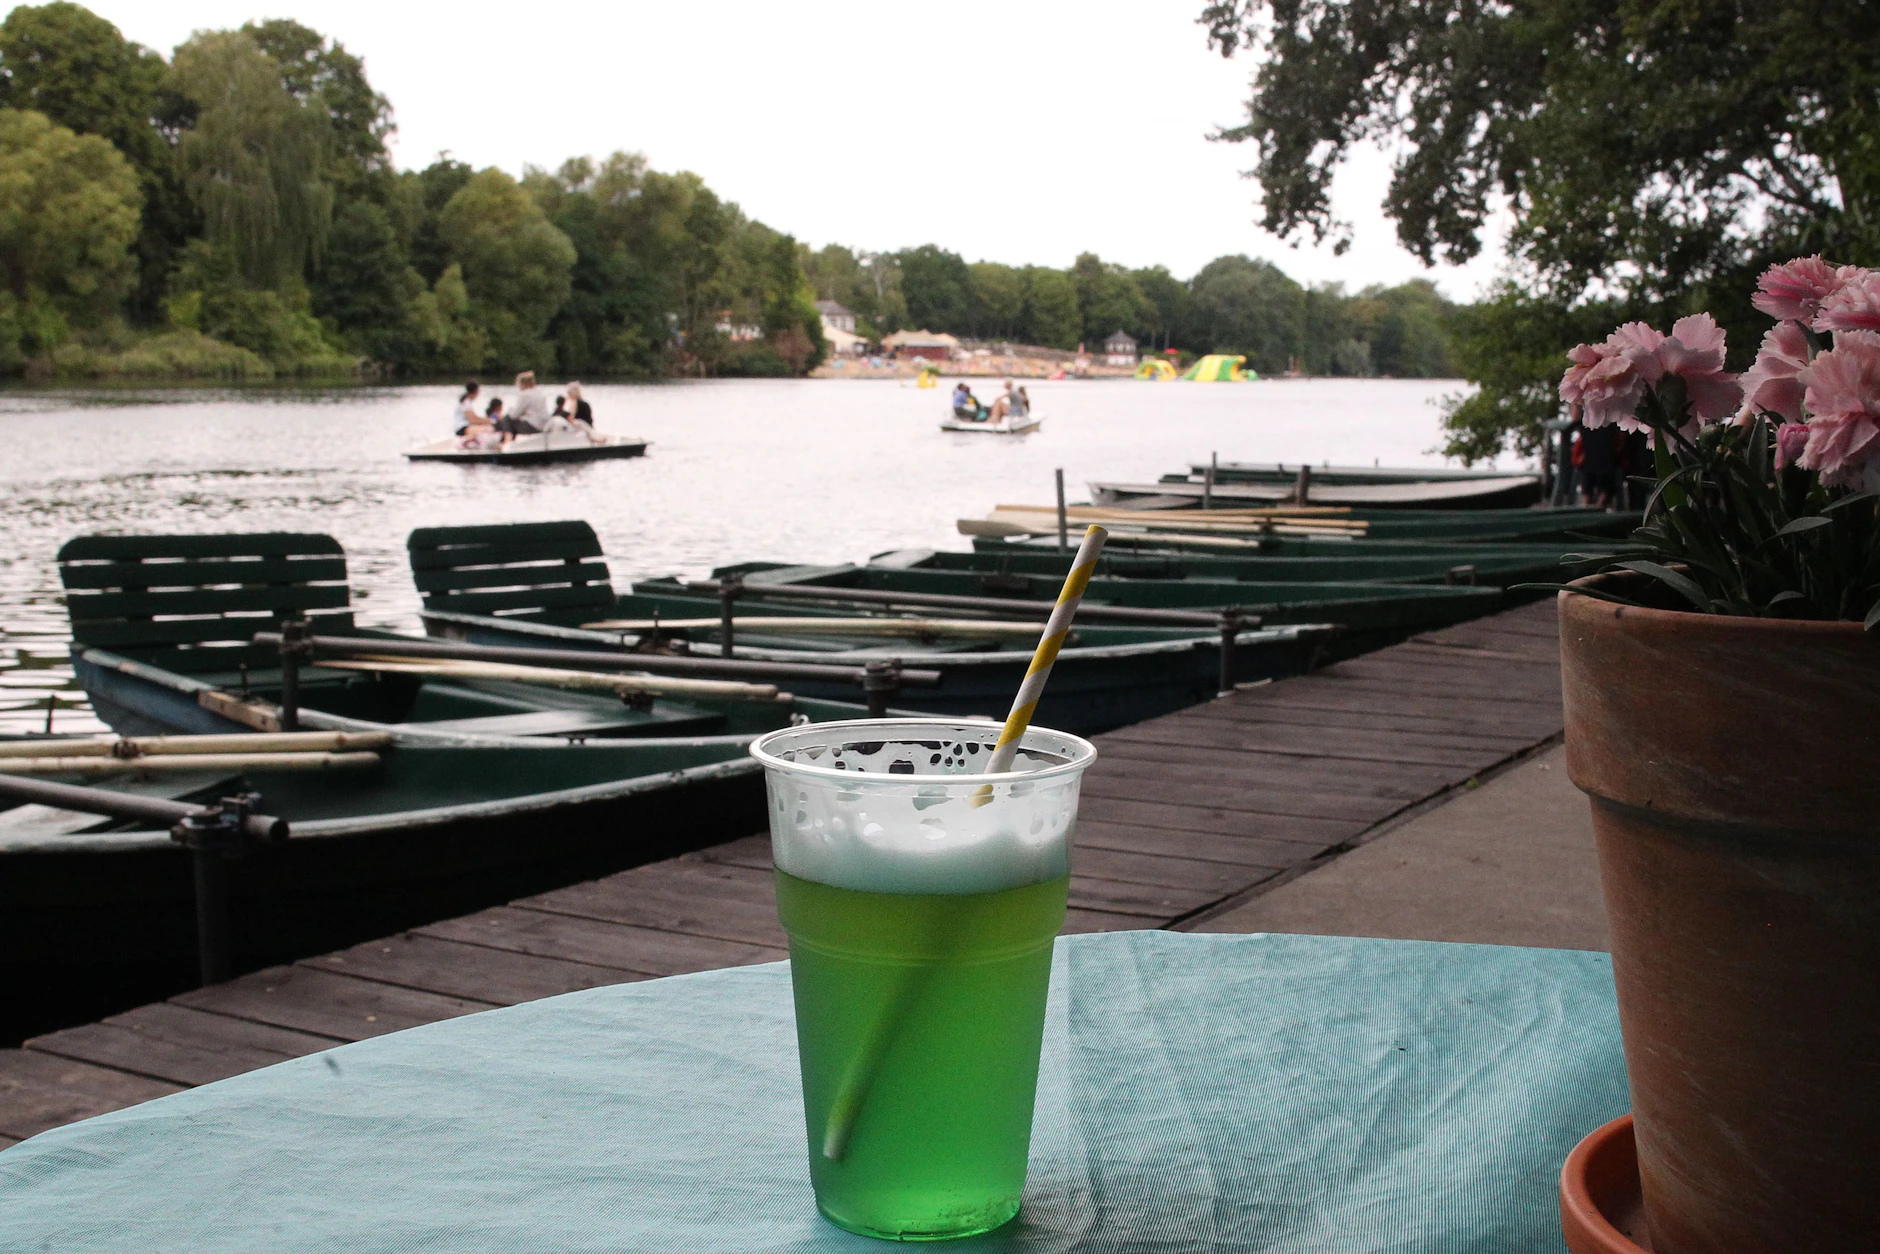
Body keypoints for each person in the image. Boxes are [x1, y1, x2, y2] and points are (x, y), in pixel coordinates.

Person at [502, 370, 549, 436]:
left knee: (507, 418)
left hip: (532, 427)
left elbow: (514, 415)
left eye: (517, 382)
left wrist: (510, 410)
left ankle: (508, 440)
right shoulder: (539, 393)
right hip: (543, 427)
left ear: (523, 383)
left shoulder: (525, 395)